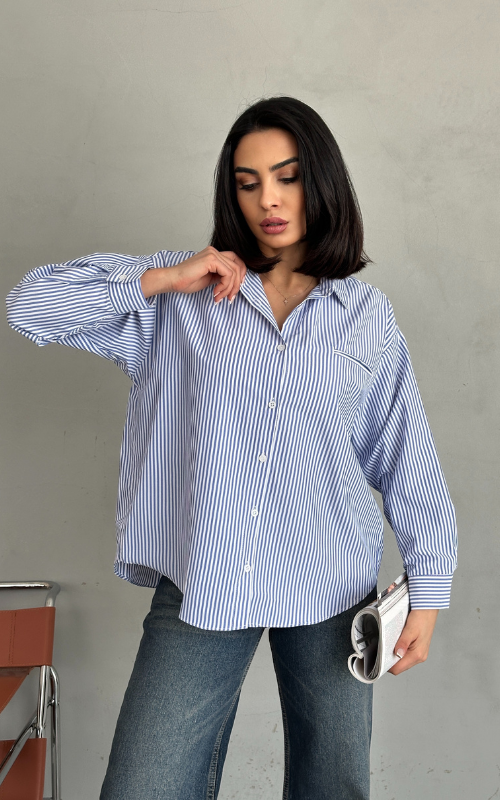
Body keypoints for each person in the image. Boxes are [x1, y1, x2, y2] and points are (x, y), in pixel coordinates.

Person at [6, 96, 457, 799]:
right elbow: (28, 307)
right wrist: (161, 279)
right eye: (248, 183)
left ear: (321, 181)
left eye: (287, 177)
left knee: (333, 787)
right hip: (205, 574)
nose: (268, 200)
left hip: (331, 585)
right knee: (142, 787)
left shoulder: (364, 316)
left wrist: (428, 590)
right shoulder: (185, 294)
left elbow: (405, 455)